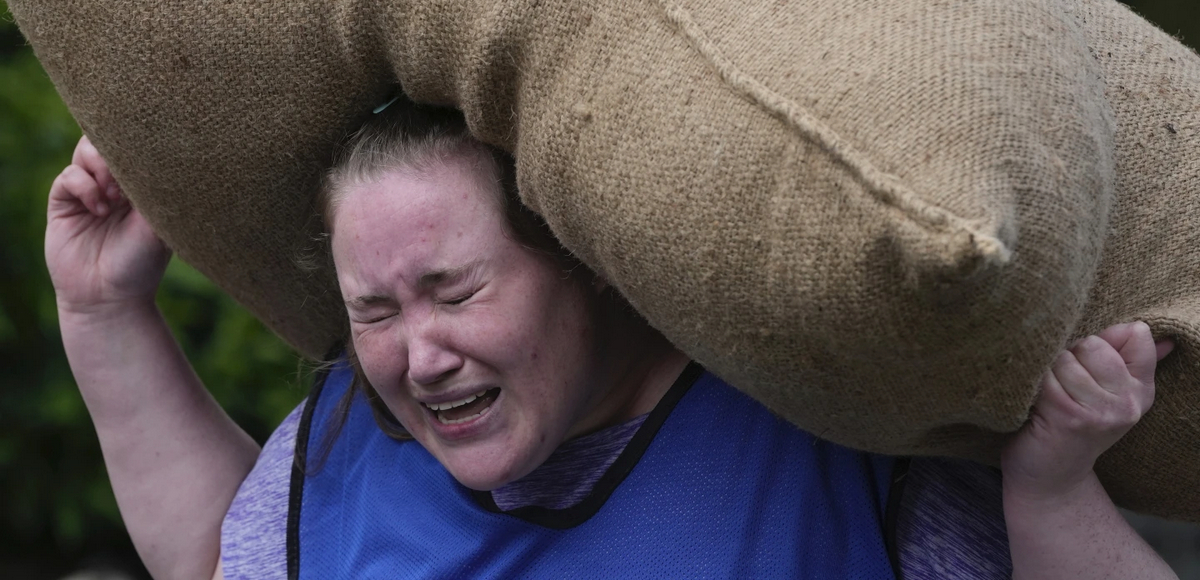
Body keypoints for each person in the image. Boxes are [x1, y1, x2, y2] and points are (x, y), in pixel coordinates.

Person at [46, 100, 1179, 579]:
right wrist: (104, 311)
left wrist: (1052, 491)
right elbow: (221, 564)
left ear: (585, 259)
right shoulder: (348, 438)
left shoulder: (822, 417)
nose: (418, 351)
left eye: (455, 287)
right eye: (376, 310)